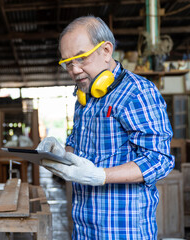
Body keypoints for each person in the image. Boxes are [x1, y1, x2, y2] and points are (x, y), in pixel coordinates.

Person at [36, 16, 174, 239]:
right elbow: (77, 145)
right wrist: (60, 154)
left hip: (122, 228)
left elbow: (159, 160)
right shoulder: (84, 96)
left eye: (81, 58)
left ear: (107, 51)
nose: (75, 70)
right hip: (83, 225)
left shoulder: (137, 92)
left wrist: (101, 175)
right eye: (67, 63)